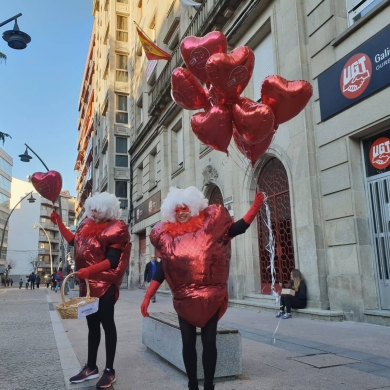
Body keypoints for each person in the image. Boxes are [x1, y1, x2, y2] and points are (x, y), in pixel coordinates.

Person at [141, 186, 265, 390]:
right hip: (184, 299)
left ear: (193, 207)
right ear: (172, 212)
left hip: (210, 297)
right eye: (177, 210)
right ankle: (192, 385)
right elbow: (163, 269)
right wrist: (148, 296)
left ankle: (209, 385)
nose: (181, 213)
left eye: (185, 208)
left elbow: (236, 229)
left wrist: (254, 207)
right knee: (188, 342)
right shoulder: (167, 237)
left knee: (209, 342)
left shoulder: (210, 227)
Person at [50, 192, 130, 389]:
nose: (93, 213)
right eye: (91, 209)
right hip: (86, 287)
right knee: (92, 327)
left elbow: (112, 261)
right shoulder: (86, 225)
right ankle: (91, 367)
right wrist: (59, 223)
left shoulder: (117, 228)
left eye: (98, 210)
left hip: (104, 287)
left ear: (108, 211)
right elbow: (73, 241)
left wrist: (89, 271)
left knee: (107, 325)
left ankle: (109, 370)